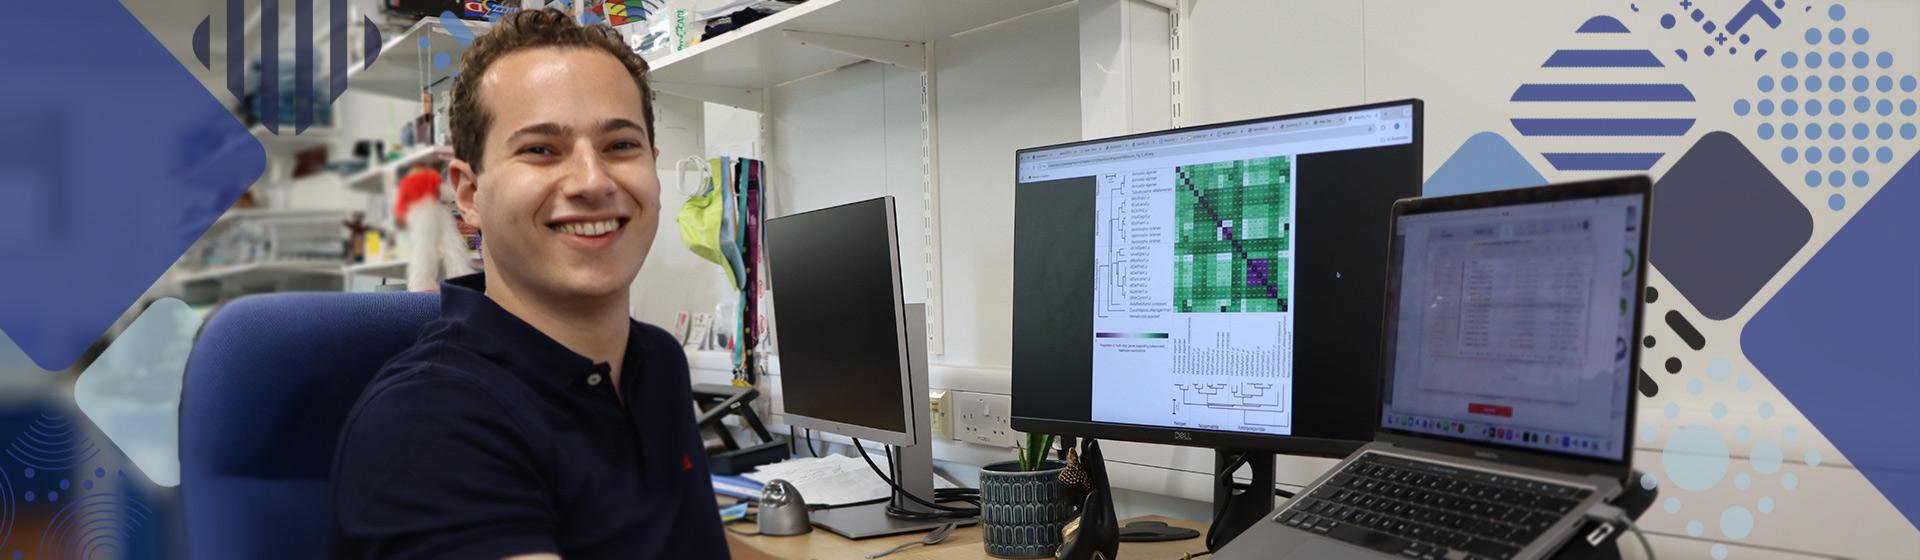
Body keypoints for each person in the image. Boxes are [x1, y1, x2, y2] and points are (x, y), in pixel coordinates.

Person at [332, 9, 774, 559]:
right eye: (540, 149)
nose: (593, 181)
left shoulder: (656, 361)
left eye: (620, 146)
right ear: (469, 193)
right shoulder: (427, 421)